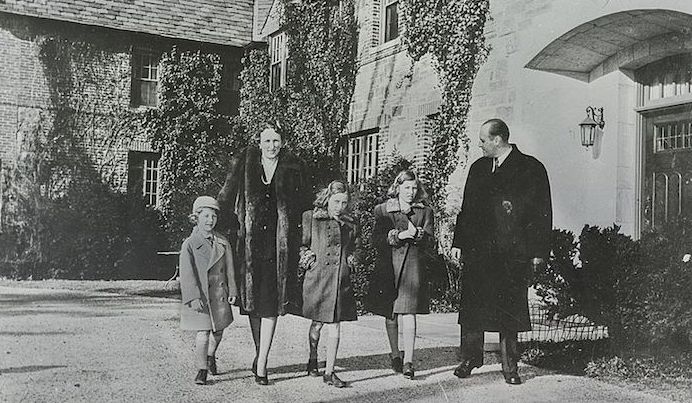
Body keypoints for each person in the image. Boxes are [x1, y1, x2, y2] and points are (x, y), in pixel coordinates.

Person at [451, 118, 552, 385]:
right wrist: (459, 243)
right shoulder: (478, 168)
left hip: (511, 254)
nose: (480, 144)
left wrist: (539, 251)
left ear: (497, 140)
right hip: (478, 253)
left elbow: (542, 213)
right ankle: (471, 358)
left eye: (483, 140)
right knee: (473, 307)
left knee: (509, 309)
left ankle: (510, 367)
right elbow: (467, 209)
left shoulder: (531, 168)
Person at [217, 123, 308, 385]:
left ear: (283, 142)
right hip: (248, 247)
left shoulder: (293, 167)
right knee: (253, 305)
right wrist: (216, 227)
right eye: (267, 141)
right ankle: (260, 353)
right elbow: (225, 197)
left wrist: (301, 239)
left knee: (272, 305)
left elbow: (303, 206)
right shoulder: (244, 163)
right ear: (259, 142)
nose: (272, 146)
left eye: (276, 141)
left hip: (279, 248)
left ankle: (263, 363)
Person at [366, 170, 434, 380]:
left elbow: (431, 240)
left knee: (409, 312)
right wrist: (398, 235)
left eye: (414, 188)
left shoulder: (425, 211)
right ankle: (395, 353)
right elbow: (375, 239)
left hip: (412, 266)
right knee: (391, 313)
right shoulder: (383, 210)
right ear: (397, 188)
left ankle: (409, 361)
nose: (411, 192)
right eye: (406, 188)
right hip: (389, 267)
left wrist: (420, 235)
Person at [299, 180, 358, 388]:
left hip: (339, 279)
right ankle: (313, 358)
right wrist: (309, 259)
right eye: (336, 201)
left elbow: (352, 248)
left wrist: (351, 260)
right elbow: (302, 245)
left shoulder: (350, 223)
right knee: (317, 323)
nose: (340, 207)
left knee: (335, 324)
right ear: (327, 199)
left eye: (344, 202)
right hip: (318, 278)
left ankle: (329, 371)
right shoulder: (311, 218)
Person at [179, 196, 237, 386]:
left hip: (219, 295)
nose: (210, 220)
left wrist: (233, 290)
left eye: (213, 216)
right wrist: (193, 297)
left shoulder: (223, 242)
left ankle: (211, 354)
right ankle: (201, 369)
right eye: (205, 216)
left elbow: (230, 269)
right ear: (196, 218)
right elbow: (187, 274)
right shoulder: (189, 244)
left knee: (218, 331)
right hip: (202, 296)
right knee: (203, 332)